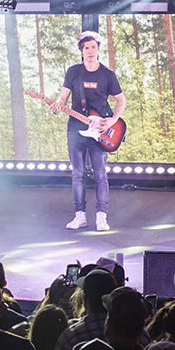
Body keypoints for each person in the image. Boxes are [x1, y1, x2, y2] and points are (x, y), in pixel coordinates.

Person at [50, 31, 125, 232]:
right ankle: (80, 216)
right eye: (86, 48)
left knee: (101, 174)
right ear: (81, 51)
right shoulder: (73, 72)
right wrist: (57, 105)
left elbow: (121, 100)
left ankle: (101, 217)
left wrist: (112, 121)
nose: (90, 51)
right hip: (75, 129)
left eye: (93, 47)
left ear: (98, 49)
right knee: (77, 174)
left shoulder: (107, 74)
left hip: (100, 131)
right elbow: (63, 98)